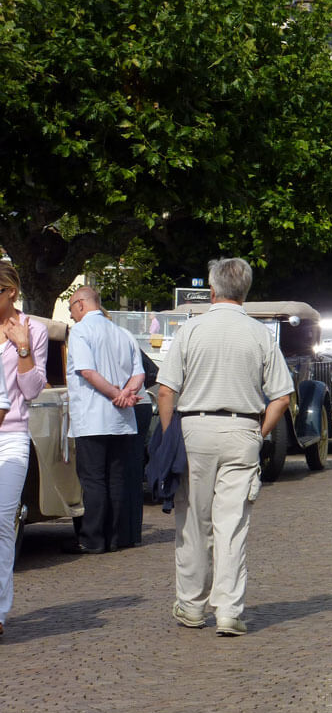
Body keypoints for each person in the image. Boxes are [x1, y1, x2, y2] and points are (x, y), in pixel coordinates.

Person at [157, 258, 293, 636]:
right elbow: (281, 397)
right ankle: (229, 610)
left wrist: (171, 436)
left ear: (212, 291)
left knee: (193, 524)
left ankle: (192, 605)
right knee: (232, 526)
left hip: (194, 429)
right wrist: (259, 433)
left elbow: (166, 390)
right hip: (242, 429)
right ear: (245, 292)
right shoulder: (261, 334)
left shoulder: (191, 330)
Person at [63, 286, 145, 554]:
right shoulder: (123, 332)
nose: (72, 315)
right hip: (121, 419)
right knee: (116, 477)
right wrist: (127, 394)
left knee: (94, 479)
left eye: (71, 308)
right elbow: (139, 374)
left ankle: (92, 538)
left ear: (81, 305)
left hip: (93, 415)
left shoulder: (81, 331)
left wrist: (115, 394)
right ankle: (114, 536)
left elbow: (87, 371)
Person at [0, 263, 47, 638]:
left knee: (2, 521)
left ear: (10, 291)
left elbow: (31, 390)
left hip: (11, 435)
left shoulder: (34, 329)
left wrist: (22, 345)